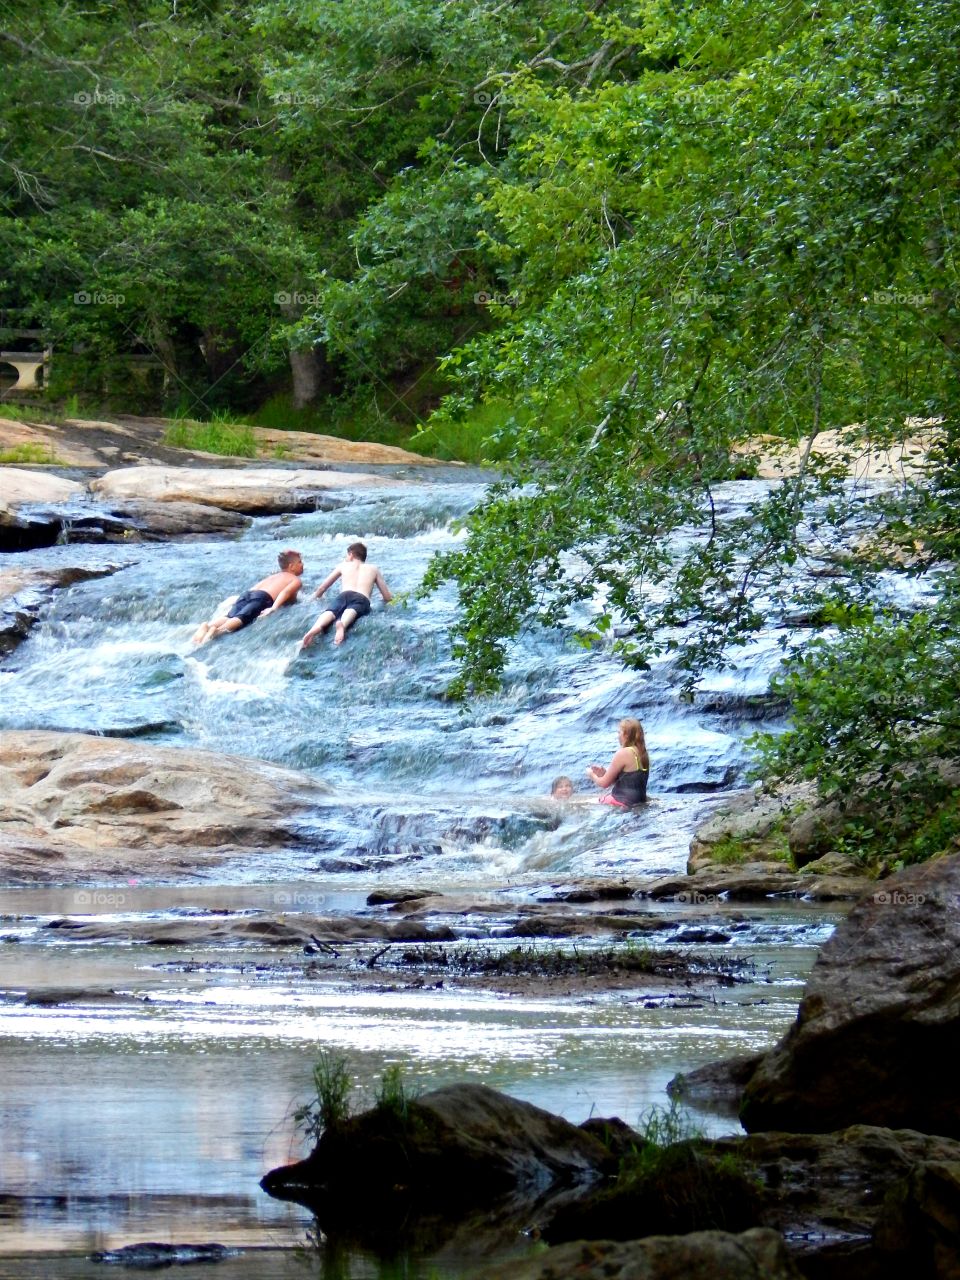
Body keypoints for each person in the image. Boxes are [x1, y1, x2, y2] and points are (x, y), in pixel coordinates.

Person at [191, 550, 304, 646]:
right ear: (291, 566)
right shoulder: (296, 580)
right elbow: (285, 592)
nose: (302, 564)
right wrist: (273, 608)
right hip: (262, 598)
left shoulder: (273, 576)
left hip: (247, 595)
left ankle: (207, 625)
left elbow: (256, 588)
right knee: (241, 619)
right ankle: (217, 632)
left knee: (229, 616)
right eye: (300, 562)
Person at [300, 541, 393, 648]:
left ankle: (315, 628)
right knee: (352, 610)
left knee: (331, 611)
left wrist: (313, 598)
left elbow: (322, 588)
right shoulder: (373, 569)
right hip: (361, 597)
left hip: (344, 595)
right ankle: (342, 625)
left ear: (351, 554)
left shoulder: (343, 566)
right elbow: (387, 596)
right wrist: (386, 600)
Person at [586, 718, 649, 808]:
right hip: (639, 800)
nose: (618, 736)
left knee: (586, 803)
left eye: (619, 732)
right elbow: (630, 780)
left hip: (622, 802)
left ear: (626, 735)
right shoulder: (642, 752)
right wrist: (604, 773)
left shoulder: (623, 753)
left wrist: (591, 774)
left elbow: (604, 784)